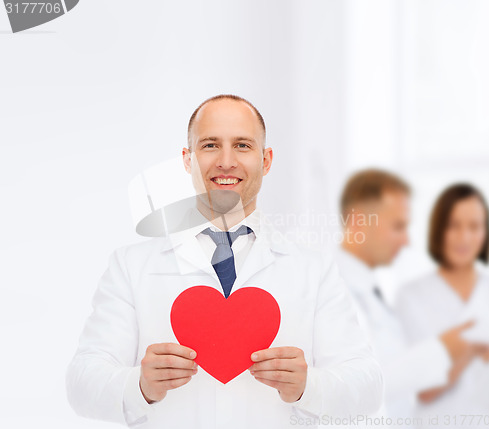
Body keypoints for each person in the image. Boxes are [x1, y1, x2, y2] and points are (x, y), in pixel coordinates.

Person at [66, 94, 383, 429]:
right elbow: (81, 383)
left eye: (243, 145)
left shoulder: (313, 270)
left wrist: (309, 386)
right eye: (210, 145)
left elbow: (368, 387)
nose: (226, 161)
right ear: (188, 159)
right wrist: (139, 385)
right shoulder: (131, 267)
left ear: (267, 160)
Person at [336, 170, 477, 426]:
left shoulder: (371, 289)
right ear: (358, 223)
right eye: (398, 226)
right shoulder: (334, 290)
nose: (406, 240)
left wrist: (458, 354)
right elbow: (358, 386)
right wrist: (442, 349)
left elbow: (401, 379)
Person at [395, 183, 489, 428]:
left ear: (486, 233)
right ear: (439, 230)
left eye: (474, 226)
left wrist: (454, 351)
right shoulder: (411, 295)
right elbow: (424, 389)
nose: (464, 237)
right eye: (454, 225)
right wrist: (474, 348)